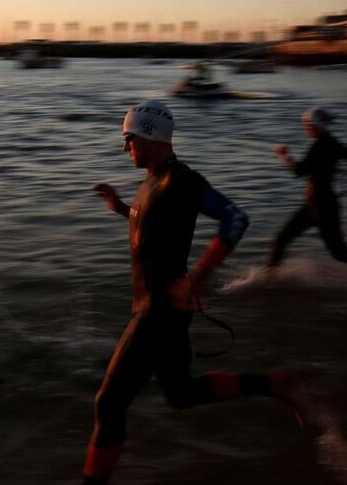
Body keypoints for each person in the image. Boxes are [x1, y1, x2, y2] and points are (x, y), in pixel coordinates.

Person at [85, 100, 314, 484]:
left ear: (152, 137)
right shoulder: (153, 181)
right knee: (180, 393)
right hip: (161, 308)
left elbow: (236, 218)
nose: (125, 148)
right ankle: (275, 383)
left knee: (109, 403)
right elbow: (156, 223)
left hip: (159, 309)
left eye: (129, 139)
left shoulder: (181, 180)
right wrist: (122, 208)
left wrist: (202, 273)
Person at [268, 107, 347, 274]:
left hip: (319, 204)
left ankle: (266, 277)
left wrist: (284, 155)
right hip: (326, 204)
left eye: (308, 125)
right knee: (340, 253)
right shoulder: (333, 142)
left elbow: (298, 171)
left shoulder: (320, 146)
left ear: (318, 125)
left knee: (282, 238)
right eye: (305, 125)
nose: (305, 128)